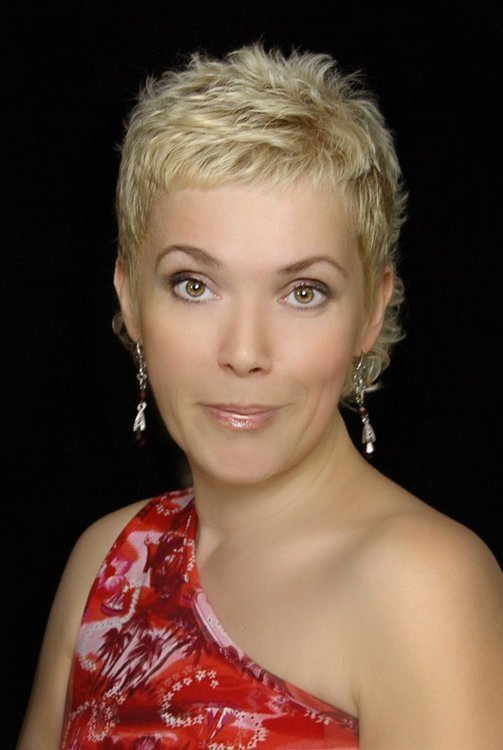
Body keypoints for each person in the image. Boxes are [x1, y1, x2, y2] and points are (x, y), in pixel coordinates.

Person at [18, 44, 503, 750]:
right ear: (129, 296)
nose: (244, 352)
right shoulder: (110, 560)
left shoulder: (422, 584)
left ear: (371, 311)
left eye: (303, 292)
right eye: (194, 285)